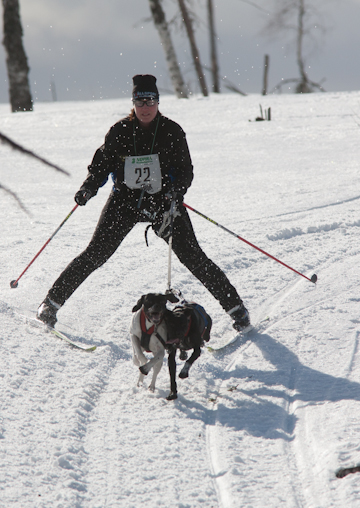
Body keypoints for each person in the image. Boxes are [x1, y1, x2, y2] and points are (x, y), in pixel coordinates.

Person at [36, 74, 250, 331]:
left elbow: (186, 170)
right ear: (133, 104)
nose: (145, 107)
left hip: (163, 204)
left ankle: (237, 310)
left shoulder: (172, 131)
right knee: (95, 254)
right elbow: (101, 166)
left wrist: (176, 192)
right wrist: (88, 188)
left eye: (150, 101)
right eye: (140, 102)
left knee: (194, 257)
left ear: (158, 102)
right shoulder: (120, 131)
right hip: (124, 202)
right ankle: (50, 304)